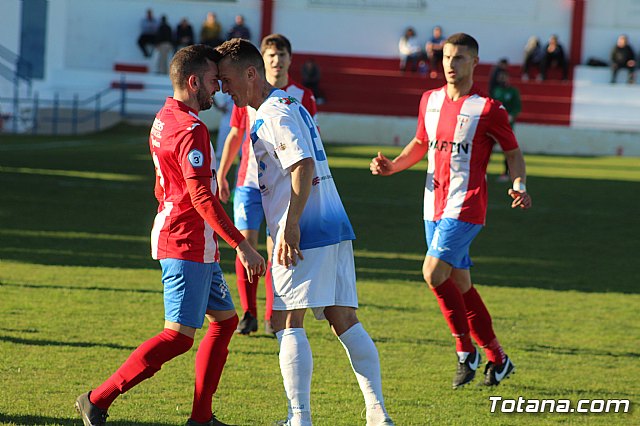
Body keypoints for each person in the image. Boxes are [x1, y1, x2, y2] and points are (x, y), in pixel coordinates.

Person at [74, 44, 266, 426]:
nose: (218, 89)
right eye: (213, 82)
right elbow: (200, 196)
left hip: (196, 242)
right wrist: (241, 244)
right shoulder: (192, 130)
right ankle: (97, 399)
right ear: (193, 82)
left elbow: (172, 184)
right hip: (186, 243)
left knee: (226, 322)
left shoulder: (165, 117)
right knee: (178, 337)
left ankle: (201, 417)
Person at [216, 38, 394, 426]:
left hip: (303, 229)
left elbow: (301, 166)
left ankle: (300, 418)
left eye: (227, 80)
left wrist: (291, 225)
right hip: (333, 222)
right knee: (342, 316)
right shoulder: (289, 103)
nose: (223, 89)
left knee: (285, 320)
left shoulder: (273, 113)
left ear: (250, 73)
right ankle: (378, 413)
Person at [370, 33, 531, 390]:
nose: (450, 65)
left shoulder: (488, 109)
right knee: (459, 283)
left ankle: (465, 351)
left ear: (474, 63)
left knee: (431, 272)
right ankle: (498, 358)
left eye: (459, 58)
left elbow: (514, 153)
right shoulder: (429, 100)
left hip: (467, 203)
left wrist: (518, 185)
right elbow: (420, 143)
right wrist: (393, 166)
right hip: (432, 204)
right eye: (446, 57)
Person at [216, 34, 318, 336]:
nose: (276, 60)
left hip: (282, 185)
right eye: (270, 55)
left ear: (289, 58)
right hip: (249, 182)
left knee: (278, 251)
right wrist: (222, 172)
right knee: (245, 245)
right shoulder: (243, 93)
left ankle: (276, 315)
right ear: (260, 61)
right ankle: (249, 312)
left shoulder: (300, 95)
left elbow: (308, 145)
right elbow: (236, 133)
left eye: (281, 54)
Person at [490, 68, 521, 181]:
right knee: (487, 148)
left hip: (507, 126)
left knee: (507, 150)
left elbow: (517, 107)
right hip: (493, 125)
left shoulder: (513, 91)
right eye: (500, 77)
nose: (502, 79)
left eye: (504, 76)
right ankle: (482, 171)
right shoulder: (496, 90)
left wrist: (511, 115)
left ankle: (506, 173)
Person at [212, 91, 234, 164]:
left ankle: (239, 174)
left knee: (243, 153)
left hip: (240, 119)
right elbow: (212, 95)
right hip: (227, 118)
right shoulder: (221, 85)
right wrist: (218, 106)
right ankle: (218, 171)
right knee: (220, 151)